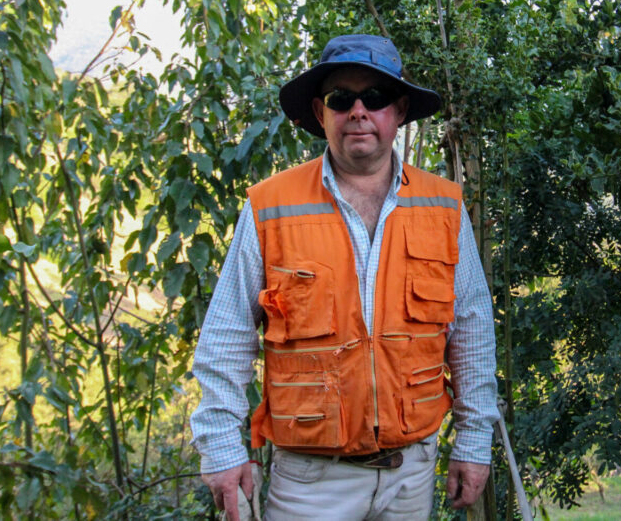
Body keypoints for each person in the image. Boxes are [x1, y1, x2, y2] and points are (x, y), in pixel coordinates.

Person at [190, 34, 499, 520]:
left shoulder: (444, 206)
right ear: (320, 112)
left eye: (373, 98)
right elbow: (226, 337)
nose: (358, 110)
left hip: (411, 476)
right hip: (309, 483)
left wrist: (475, 441)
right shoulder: (271, 207)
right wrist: (223, 451)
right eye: (342, 99)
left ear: (397, 112)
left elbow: (473, 332)